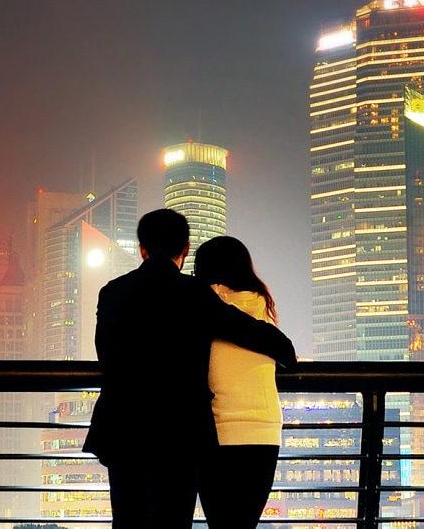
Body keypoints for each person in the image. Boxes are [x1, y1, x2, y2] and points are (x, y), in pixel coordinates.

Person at [82, 209, 297, 529]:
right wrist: (285, 350)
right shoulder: (194, 293)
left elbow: (106, 356)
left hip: (123, 427)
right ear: (185, 249)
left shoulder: (112, 291)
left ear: (142, 248)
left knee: (128, 521)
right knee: (172, 521)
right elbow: (248, 332)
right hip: (179, 433)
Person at [194, 236, 284, 529]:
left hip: (216, 431)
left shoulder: (201, 308)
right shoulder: (261, 309)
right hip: (263, 431)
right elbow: (286, 353)